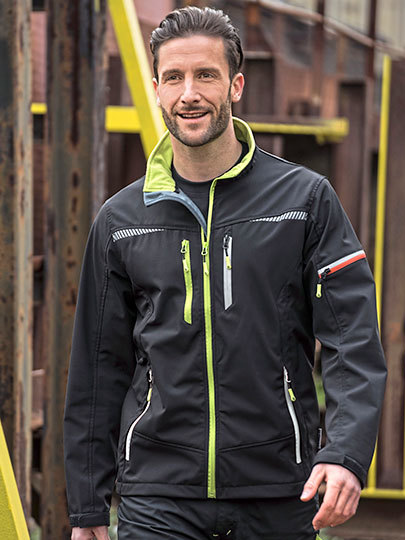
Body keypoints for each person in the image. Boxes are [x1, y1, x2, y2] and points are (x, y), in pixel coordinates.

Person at [64, 6, 387, 540]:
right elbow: (97, 368)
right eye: (174, 77)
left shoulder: (304, 201)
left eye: (206, 75)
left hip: (280, 491)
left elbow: (352, 338)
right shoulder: (122, 220)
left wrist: (346, 453)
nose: (189, 93)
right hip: (158, 496)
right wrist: (86, 506)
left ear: (236, 85)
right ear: (157, 90)